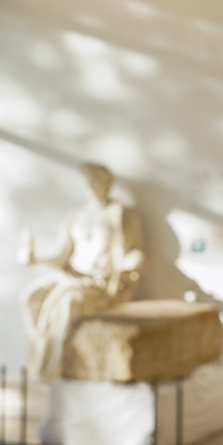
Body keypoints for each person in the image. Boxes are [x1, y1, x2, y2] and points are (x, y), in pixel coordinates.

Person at [18, 163, 145, 380]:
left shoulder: (121, 214)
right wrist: (34, 259)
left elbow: (135, 251)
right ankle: (40, 353)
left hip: (100, 282)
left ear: (107, 184)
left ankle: (54, 368)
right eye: (90, 182)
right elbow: (62, 256)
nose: (93, 186)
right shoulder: (76, 216)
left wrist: (131, 265)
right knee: (31, 297)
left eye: (98, 181)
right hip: (70, 276)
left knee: (68, 301)